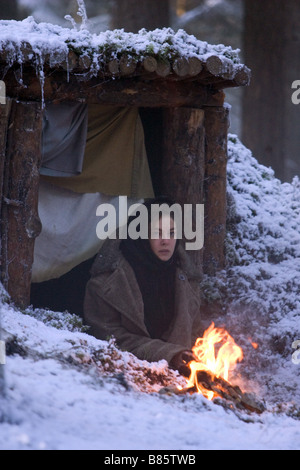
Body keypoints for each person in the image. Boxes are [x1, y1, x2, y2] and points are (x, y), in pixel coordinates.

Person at [83, 197, 203, 376]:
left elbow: (196, 336)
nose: (165, 241)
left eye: (171, 233)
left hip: (182, 381)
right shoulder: (107, 284)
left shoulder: (186, 281)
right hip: (125, 379)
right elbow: (107, 338)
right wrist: (169, 354)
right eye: (157, 233)